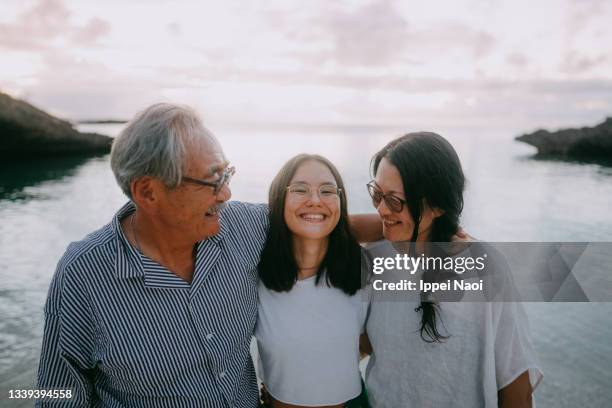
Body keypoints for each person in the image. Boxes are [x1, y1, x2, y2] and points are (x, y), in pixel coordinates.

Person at [36, 103, 381, 407]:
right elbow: (56, 393)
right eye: (212, 181)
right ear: (148, 192)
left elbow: (320, 223)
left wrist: (413, 227)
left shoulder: (245, 227)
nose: (227, 193)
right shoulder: (82, 275)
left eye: (226, 174)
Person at [361, 132, 542, 407]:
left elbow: (516, 384)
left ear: (436, 205)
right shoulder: (374, 259)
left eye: (395, 201)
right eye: (377, 194)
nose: (382, 210)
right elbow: (360, 345)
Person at [255, 154, 370, 408]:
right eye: (300, 189)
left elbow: (377, 341)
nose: (315, 200)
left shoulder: (364, 267)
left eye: (328, 191)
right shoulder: (256, 273)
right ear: (279, 198)